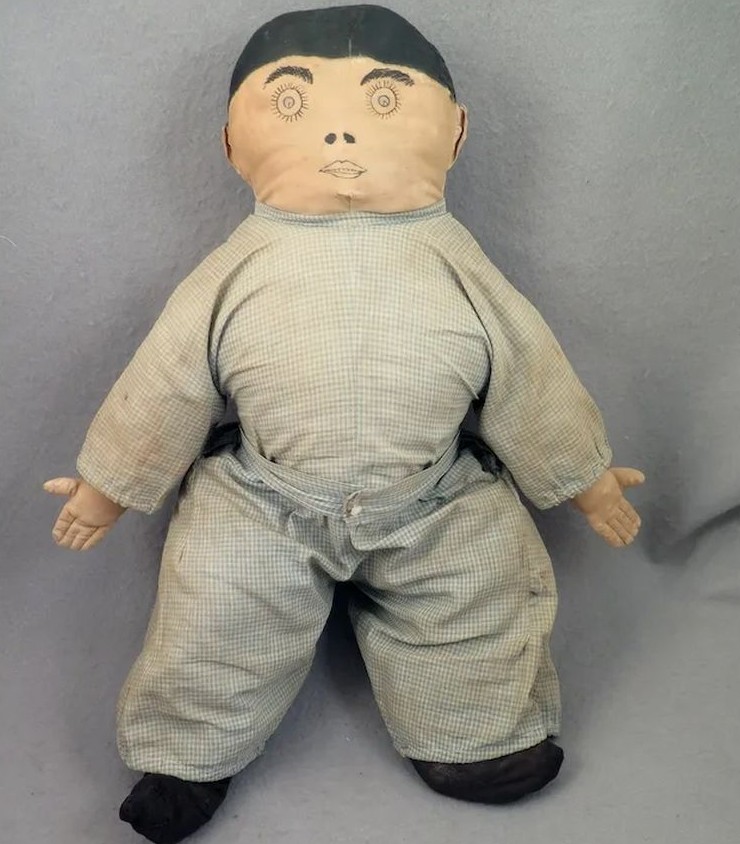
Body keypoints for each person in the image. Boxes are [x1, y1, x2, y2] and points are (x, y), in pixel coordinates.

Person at [45, 6, 644, 843]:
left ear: (455, 132)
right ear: (233, 145)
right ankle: (186, 756)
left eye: (383, 101)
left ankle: (477, 740)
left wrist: (582, 476)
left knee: (482, 597)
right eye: (293, 106)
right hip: (263, 501)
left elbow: (528, 371)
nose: (339, 136)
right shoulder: (237, 266)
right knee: (215, 612)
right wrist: (110, 484)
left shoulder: (454, 258)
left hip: (433, 502)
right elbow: (168, 379)